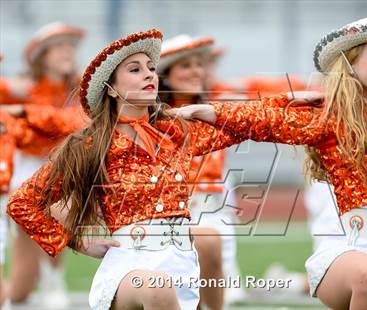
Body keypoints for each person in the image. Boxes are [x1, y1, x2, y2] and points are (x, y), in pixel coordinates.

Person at [173, 16, 367, 310]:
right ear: (350, 65)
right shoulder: (330, 117)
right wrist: (211, 111)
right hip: (347, 255)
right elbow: (265, 120)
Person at [7, 29, 247, 310]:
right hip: (129, 270)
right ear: (111, 88)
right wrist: (76, 240)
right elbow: (23, 203)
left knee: (199, 253)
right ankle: (52, 281)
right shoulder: (91, 143)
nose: (149, 74)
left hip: (181, 267)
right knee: (159, 289)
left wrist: (302, 104)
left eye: (152, 68)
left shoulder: (176, 132)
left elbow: (253, 122)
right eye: (135, 69)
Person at [0, 22, 85, 307]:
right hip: (24, 167)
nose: (68, 52)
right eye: (59, 46)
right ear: (41, 55)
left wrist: (30, 111)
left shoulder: (81, 90)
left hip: (64, 166)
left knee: (56, 209)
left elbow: (82, 124)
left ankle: (53, 279)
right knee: (19, 292)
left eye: (70, 46)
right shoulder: (23, 89)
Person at [158, 34, 245, 309]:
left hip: (215, 210)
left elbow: (267, 106)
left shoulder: (219, 107)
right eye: (185, 65)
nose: (196, 71)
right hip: (170, 213)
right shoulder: (153, 116)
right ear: (166, 76)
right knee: (185, 291)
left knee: (217, 294)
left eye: (199, 64)